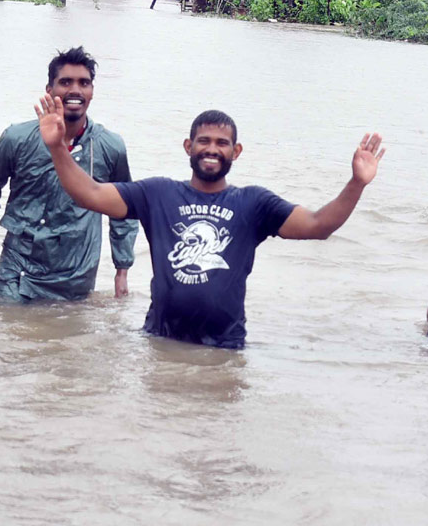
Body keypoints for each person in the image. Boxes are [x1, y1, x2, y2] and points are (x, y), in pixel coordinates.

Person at [33, 100, 385, 349]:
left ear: (237, 151)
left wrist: (357, 183)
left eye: (222, 143)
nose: (212, 149)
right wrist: (57, 149)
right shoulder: (157, 193)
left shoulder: (253, 203)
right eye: (204, 141)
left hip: (225, 348)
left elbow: (319, 224)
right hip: (160, 342)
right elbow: (90, 194)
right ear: (188, 146)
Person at [0, 47, 138, 303]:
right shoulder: (17, 138)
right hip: (17, 274)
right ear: (49, 89)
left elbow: (124, 211)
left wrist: (122, 271)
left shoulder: (109, 146)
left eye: (83, 83)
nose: (75, 90)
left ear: (92, 92)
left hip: (76, 278)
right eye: (65, 82)